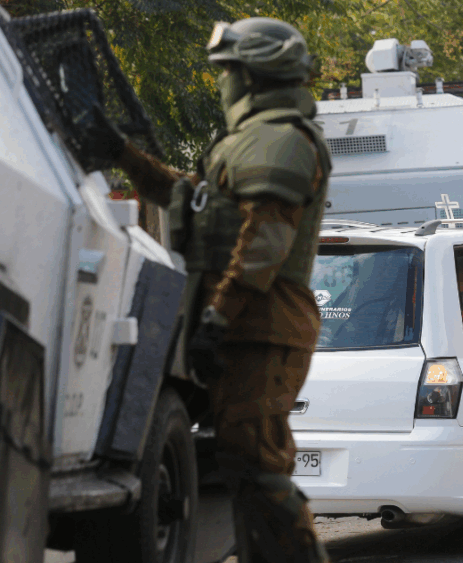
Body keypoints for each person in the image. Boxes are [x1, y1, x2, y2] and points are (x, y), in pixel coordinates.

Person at [84, 17, 332, 562]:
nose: (222, 83)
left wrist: (217, 317)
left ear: (256, 75)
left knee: (261, 470)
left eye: (228, 72)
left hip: (262, 326)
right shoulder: (244, 144)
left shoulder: (285, 139)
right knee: (246, 472)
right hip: (244, 325)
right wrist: (124, 154)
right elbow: (190, 199)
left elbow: (263, 241)